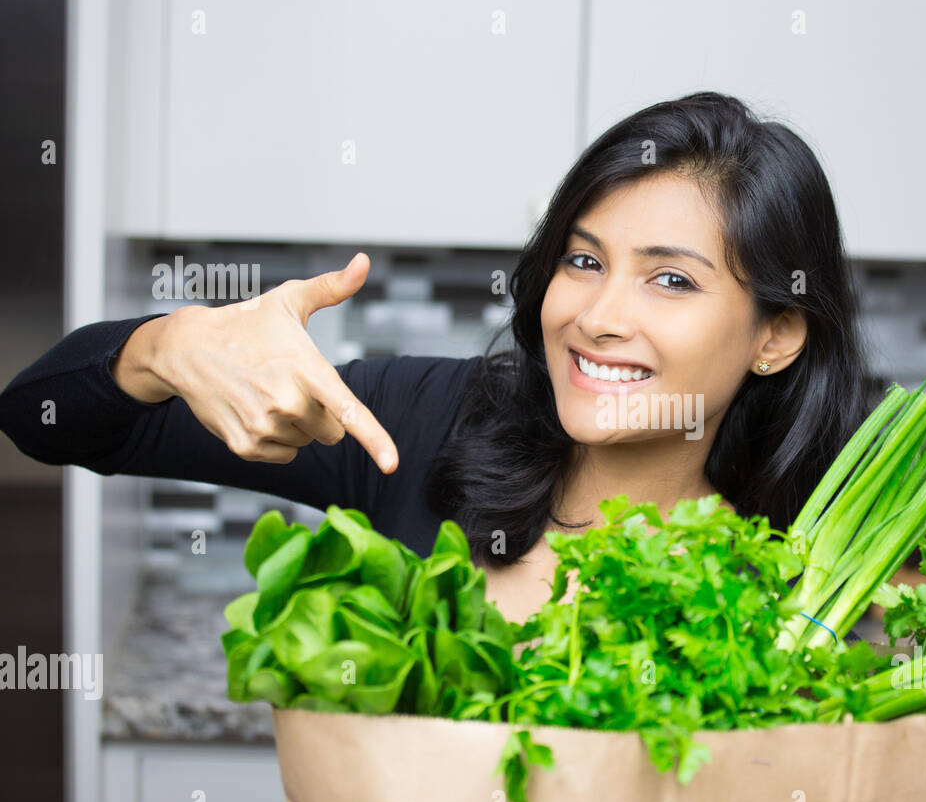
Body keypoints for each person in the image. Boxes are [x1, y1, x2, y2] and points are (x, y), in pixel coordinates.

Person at [0, 91, 876, 625]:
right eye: (583, 261)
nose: (599, 317)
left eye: (671, 282)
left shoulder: (827, 569)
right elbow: (39, 416)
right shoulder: (424, 427)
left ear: (777, 334)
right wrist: (173, 346)